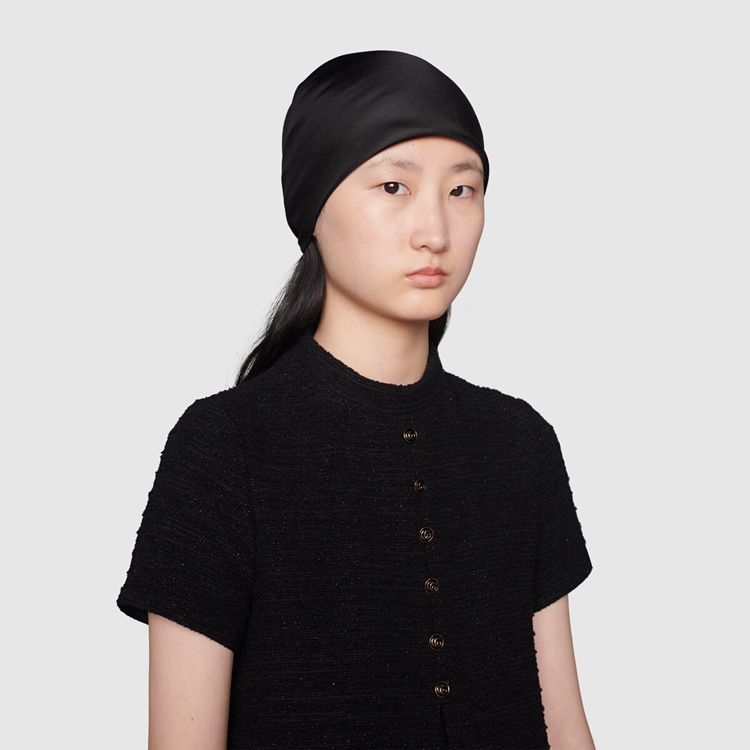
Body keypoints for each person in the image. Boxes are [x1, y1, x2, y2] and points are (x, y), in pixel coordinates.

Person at [118, 50, 595, 750]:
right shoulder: (226, 447)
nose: (435, 231)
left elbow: (566, 728)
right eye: (394, 186)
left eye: (463, 189)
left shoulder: (519, 442)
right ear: (313, 207)